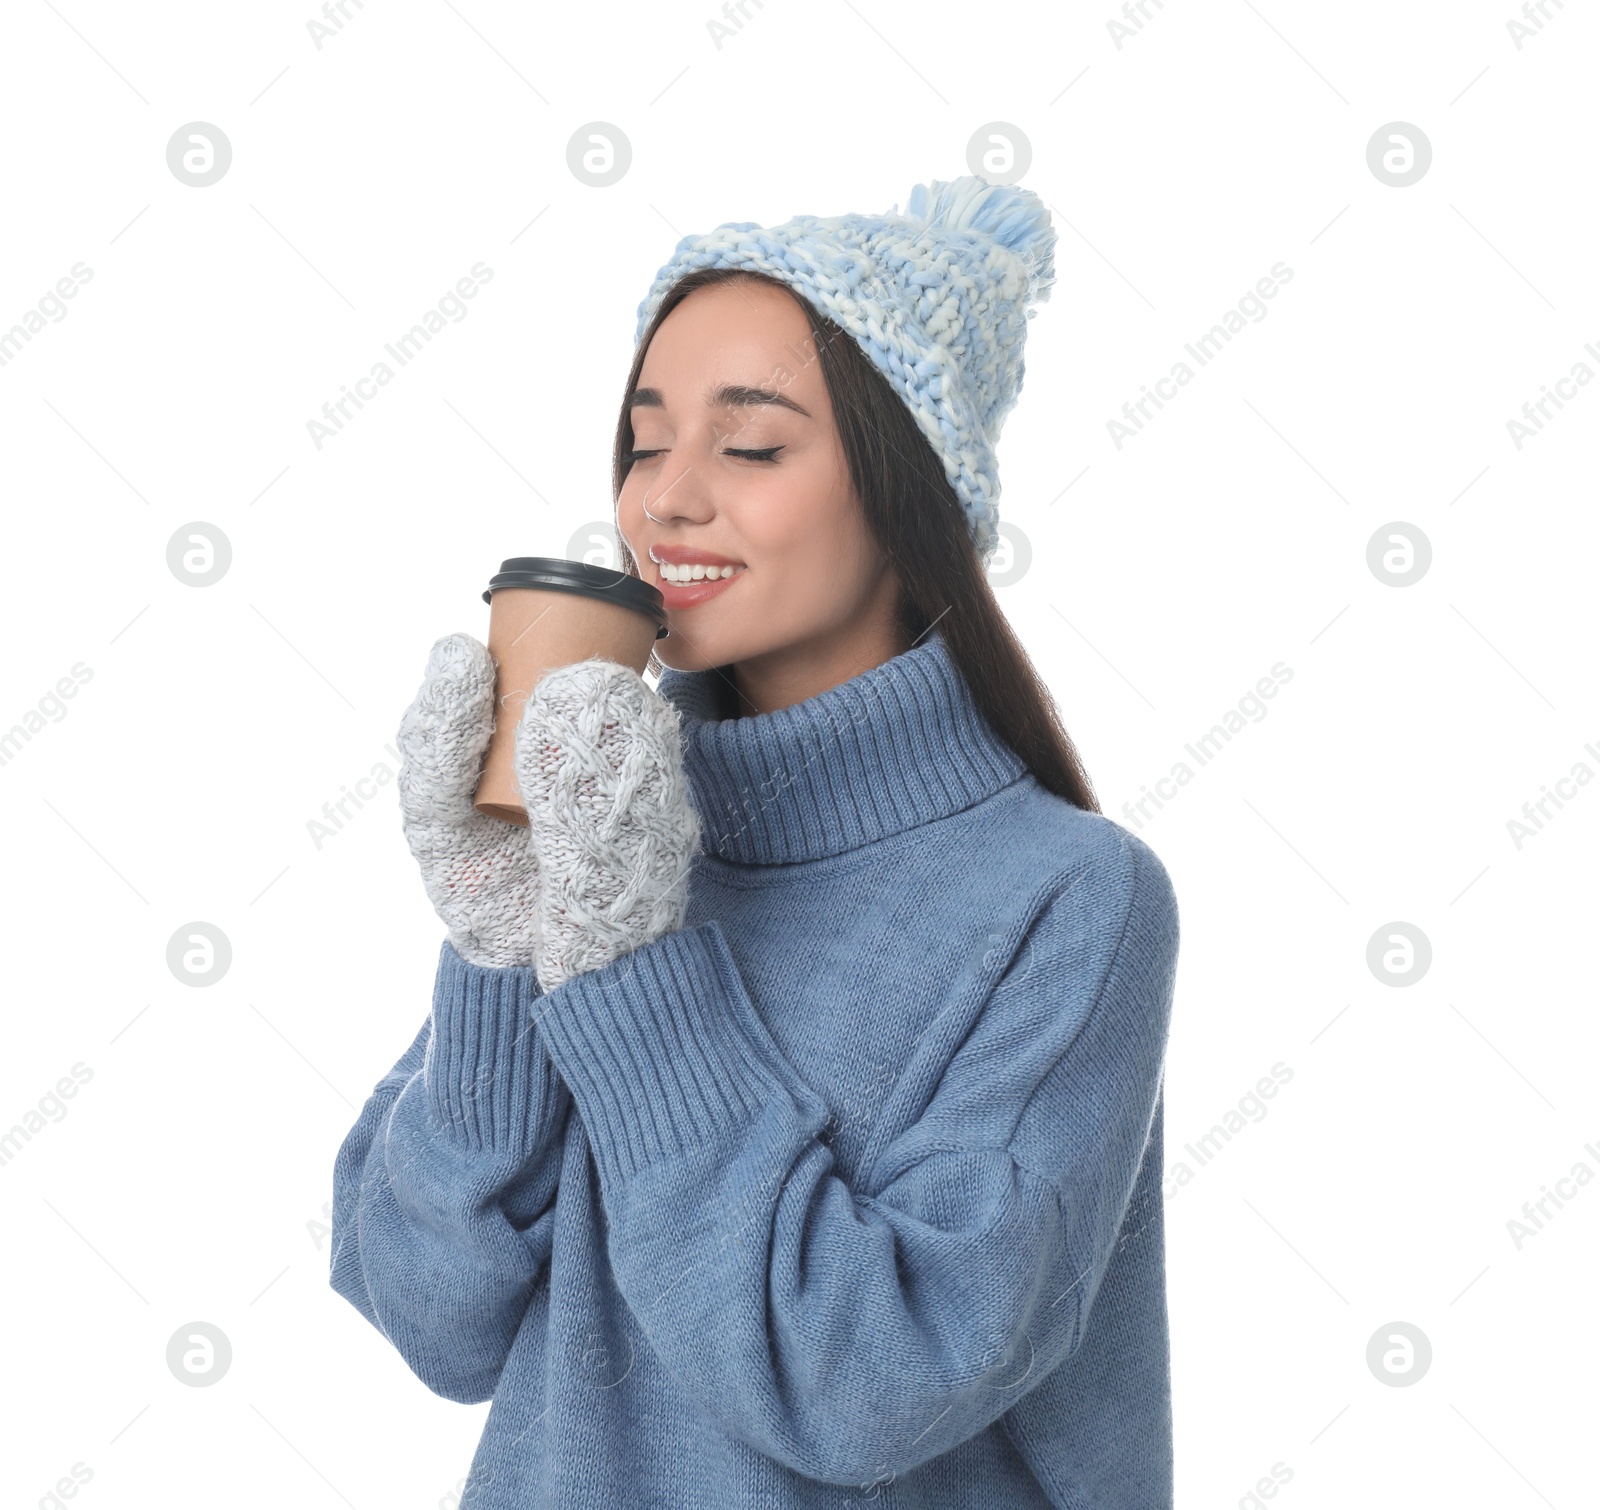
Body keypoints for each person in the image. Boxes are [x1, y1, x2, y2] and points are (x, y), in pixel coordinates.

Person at [329, 174, 1182, 1508]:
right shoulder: (617, 834)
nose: (663, 501)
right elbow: (436, 1312)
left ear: (909, 496)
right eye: (644, 440)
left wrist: (627, 968)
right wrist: (503, 943)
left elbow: (864, 1383)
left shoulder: (1068, 900)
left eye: (753, 446)